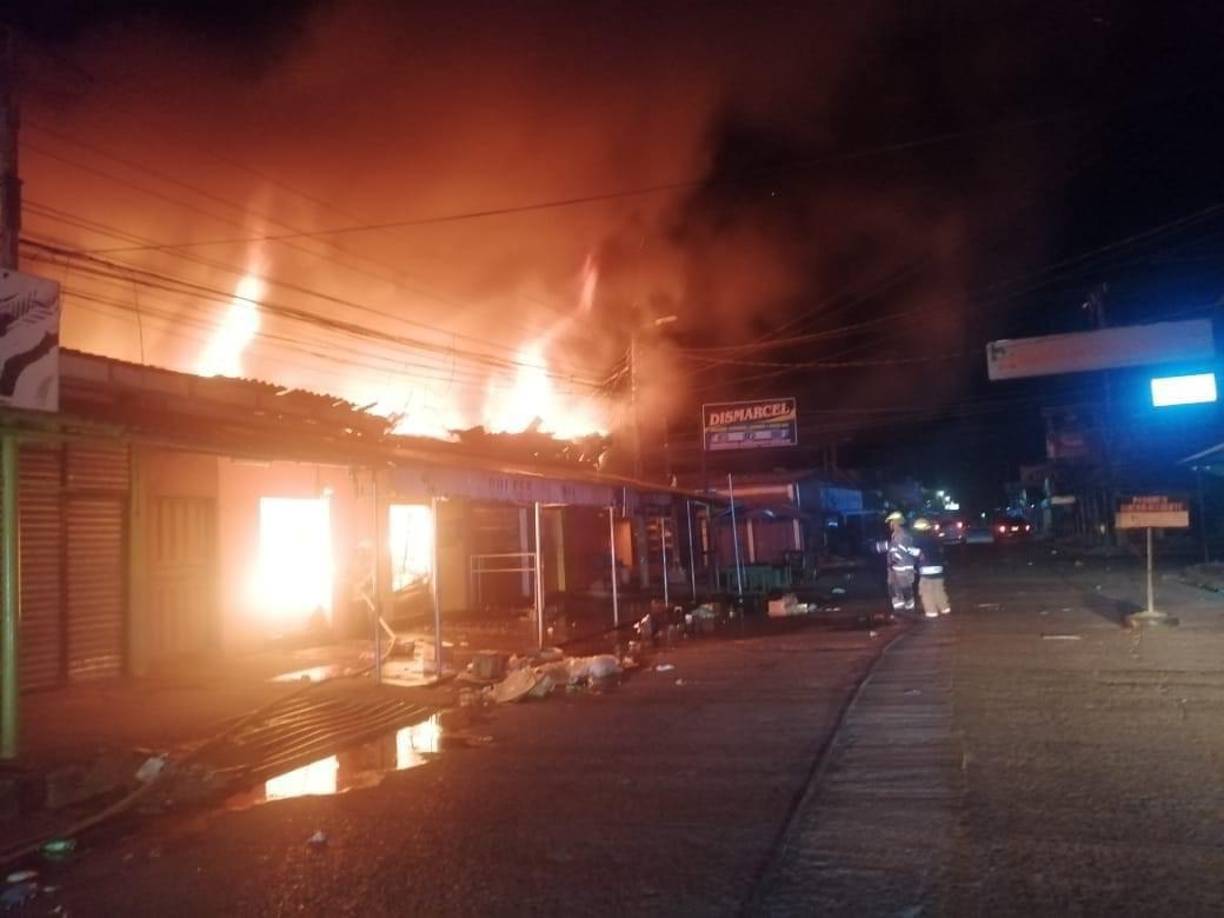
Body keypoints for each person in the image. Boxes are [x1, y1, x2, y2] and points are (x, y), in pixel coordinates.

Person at [910, 517, 951, 618]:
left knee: (926, 591)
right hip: (939, 568)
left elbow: (916, 554)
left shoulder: (917, 539)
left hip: (926, 569)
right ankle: (945, 608)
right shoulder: (935, 538)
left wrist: (914, 563)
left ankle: (931, 611)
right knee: (939, 589)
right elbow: (942, 552)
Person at [884, 511, 918, 612]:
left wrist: (893, 561)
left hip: (902, 567)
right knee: (893, 586)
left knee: (905, 587)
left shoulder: (903, 535)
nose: (890, 524)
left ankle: (909, 607)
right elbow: (894, 548)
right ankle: (899, 607)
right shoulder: (896, 535)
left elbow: (901, 550)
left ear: (896, 523)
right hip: (895, 567)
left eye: (891, 522)